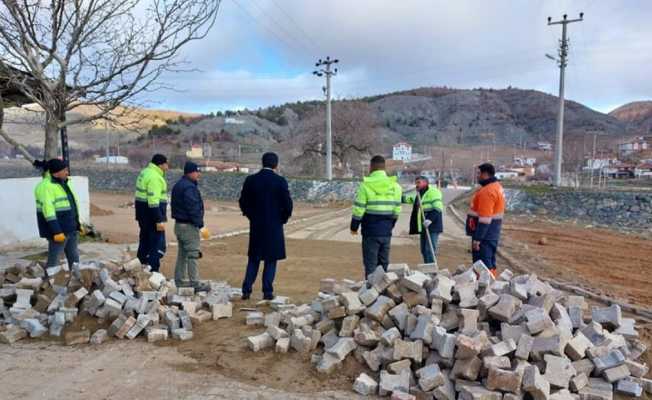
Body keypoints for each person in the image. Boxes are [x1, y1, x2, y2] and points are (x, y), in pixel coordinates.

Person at [239, 152, 293, 300]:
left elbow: (243, 201)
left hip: (256, 225)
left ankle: (246, 289)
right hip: (274, 225)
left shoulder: (251, 180)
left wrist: (251, 216)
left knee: (254, 258)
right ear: (276, 165)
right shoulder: (280, 181)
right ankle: (267, 291)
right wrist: (282, 218)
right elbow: (288, 204)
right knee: (271, 259)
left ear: (262, 163)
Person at [350, 155, 402, 278]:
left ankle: (370, 293)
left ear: (371, 167)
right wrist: (390, 225)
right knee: (383, 263)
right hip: (386, 232)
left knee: (371, 265)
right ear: (384, 168)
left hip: (370, 232)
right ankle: (383, 292)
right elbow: (397, 210)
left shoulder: (365, 186)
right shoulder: (395, 186)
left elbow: (359, 209)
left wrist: (354, 227)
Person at [34, 159, 81, 268]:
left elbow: (72, 205)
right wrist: (56, 232)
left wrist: (77, 224)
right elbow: (48, 212)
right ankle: (49, 282)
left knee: (74, 256)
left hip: (70, 229)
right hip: (59, 231)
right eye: (65, 170)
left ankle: (76, 280)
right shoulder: (46, 187)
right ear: (56, 172)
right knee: (54, 259)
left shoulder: (64, 183)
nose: (67, 172)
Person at [171, 161, 210, 289]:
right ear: (191, 172)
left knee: (182, 255)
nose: (198, 174)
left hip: (179, 225)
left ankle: (180, 281)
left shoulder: (179, 185)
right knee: (193, 254)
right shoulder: (189, 188)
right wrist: (201, 226)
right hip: (188, 226)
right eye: (197, 171)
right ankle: (195, 283)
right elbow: (193, 208)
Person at [466, 163, 505, 277]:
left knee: (482, 264)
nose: (477, 176)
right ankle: (491, 285)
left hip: (484, 234)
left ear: (485, 174)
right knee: (489, 261)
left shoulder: (487, 191)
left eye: (479, 173)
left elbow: (484, 219)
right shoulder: (496, 186)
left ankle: (485, 289)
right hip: (492, 232)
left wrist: (477, 239)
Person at [134, 154, 169, 272]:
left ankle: (139, 266)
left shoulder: (145, 172)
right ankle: (153, 270)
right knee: (156, 244)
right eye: (166, 164)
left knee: (144, 241)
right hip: (152, 216)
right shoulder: (155, 177)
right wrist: (159, 219)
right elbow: (153, 201)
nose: (167, 167)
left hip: (142, 215)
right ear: (160, 165)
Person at [402, 175, 444, 264]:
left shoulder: (433, 192)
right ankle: (427, 268)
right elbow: (410, 199)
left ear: (425, 182)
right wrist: (400, 198)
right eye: (416, 183)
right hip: (424, 226)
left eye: (418, 182)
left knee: (430, 250)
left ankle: (432, 270)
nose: (416, 185)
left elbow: (438, 208)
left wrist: (430, 219)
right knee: (424, 250)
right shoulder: (420, 193)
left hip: (432, 226)